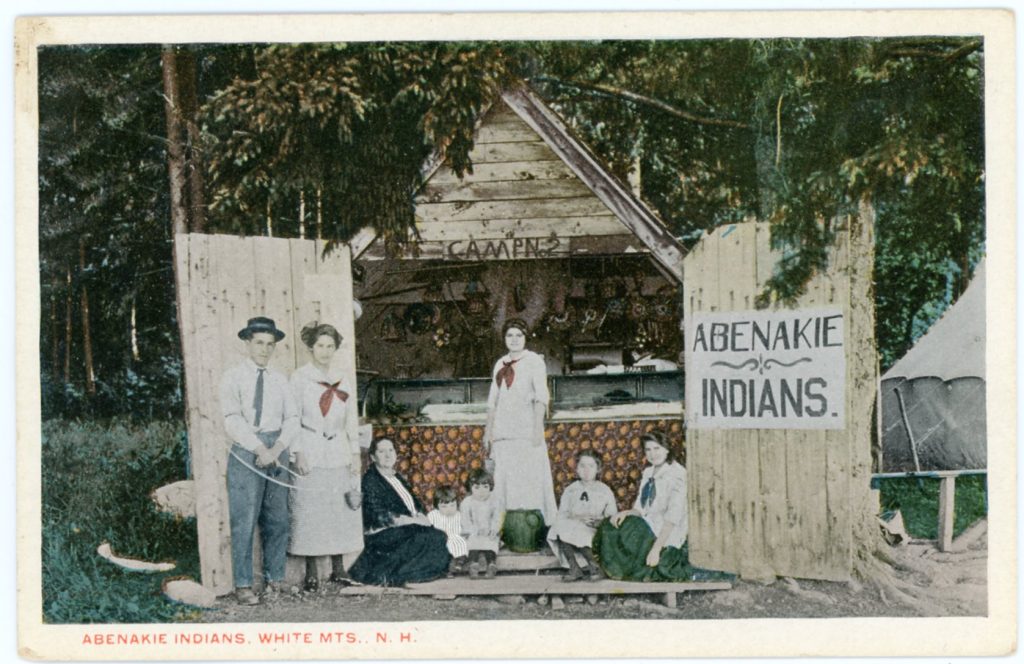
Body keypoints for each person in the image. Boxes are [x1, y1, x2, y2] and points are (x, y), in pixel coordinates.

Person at [219, 316, 299, 605]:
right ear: (247, 343)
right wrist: (257, 447)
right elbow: (231, 419)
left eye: (270, 344)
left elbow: (292, 418)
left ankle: (274, 580)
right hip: (245, 449)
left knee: (277, 518)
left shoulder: (281, 380)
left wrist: (276, 448)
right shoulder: (233, 377)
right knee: (244, 519)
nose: (265, 349)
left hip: (277, 449)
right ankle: (243, 585)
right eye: (259, 343)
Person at [288, 322, 363, 592]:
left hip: (337, 448)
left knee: (337, 507)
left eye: (330, 346)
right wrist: (298, 452)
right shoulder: (300, 378)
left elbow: (350, 419)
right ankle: (311, 572)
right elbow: (292, 417)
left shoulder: (343, 378)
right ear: (311, 347)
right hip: (311, 446)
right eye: (320, 345)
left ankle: (338, 569)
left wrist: (354, 451)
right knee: (311, 507)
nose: (325, 351)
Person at [483, 318, 557, 529]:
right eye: (509, 335)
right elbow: (492, 401)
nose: (514, 340)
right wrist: (488, 431)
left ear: (526, 338)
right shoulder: (500, 363)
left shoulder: (534, 361)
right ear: (504, 339)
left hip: (526, 432)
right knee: (505, 480)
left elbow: (541, 396)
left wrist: (536, 429)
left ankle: (532, 529)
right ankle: (506, 528)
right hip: (503, 433)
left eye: (518, 335)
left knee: (528, 479)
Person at [348, 437, 451, 586]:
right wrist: (413, 521)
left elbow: (414, 504)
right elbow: (379, 516)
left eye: (391, 450)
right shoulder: (370, 480)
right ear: (372, 457)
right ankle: (402, 575)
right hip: (382, 533)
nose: (388, 455)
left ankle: (421, 572)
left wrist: (421, 515)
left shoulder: (396, 477)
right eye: (382, 451)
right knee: (429, 537)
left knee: (438, 535)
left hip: (405, 528)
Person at [594, 432, 691, 582]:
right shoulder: (648, 472)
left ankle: (635, 568)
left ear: (667, 449)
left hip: (665, 532)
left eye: (657, 448)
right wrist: (625, 513)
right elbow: (640, 508)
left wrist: (656, 550)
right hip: (647, 523)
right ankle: (616, 570)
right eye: (648, 450)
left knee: (630, 529)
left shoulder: (678, 474)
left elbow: (673, 517)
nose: (653, 454)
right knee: (610, 524)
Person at [546, 450, 617, 581]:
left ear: (598, 469)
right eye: (582, 466)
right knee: (559, 526)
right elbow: (562, 514)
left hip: (594, 530)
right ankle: (574, 567)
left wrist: (598, 522)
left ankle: (595, 566)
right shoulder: (571, 490)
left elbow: (612, 517)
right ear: (577, 469)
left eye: (591, 466)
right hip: (574, 526)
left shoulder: (605, 490)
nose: (586, 470)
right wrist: (576, 519)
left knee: (582, 532)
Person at [460, 469, 502, 579]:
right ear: (470, 488)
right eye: (477, 488)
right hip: (474, 532)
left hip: (489, 532)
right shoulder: (467, 502)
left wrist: (493, 529)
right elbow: (465, 520)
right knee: (472, 543)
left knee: (491, 543)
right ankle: (473, 564)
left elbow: (497, 517)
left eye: (485, 487)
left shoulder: (494, 501)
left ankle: (491, 564)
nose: (481, 491)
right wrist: (475, 530)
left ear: (490, 487)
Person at [426, 485, 469, 577]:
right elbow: (428, 529)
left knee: (461, 543)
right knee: (441, 550)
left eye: (452, 505)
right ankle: (445, 569)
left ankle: (460, 560)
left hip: (456, 537)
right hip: (441, 540)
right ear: (436, 506)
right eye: (444, 506)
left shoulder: (459, 515)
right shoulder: (433, 515)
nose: (449, 509)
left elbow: (466, 528)